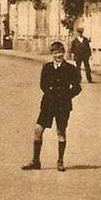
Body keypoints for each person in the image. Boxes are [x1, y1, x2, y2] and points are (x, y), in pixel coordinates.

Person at [22, 41, 82, 172]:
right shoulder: (47, 67)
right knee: (38, 130)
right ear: (51, 54)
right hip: (48, 104)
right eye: (55, 53)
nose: (58, 55)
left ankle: (60, 162)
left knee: (61, 132)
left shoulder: (70, 69)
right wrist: (51, 96)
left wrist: (66, 97)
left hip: (63, 106)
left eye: (60, 52)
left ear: (63, 53)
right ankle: (35, 161)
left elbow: (77, 87)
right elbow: (43, 85)